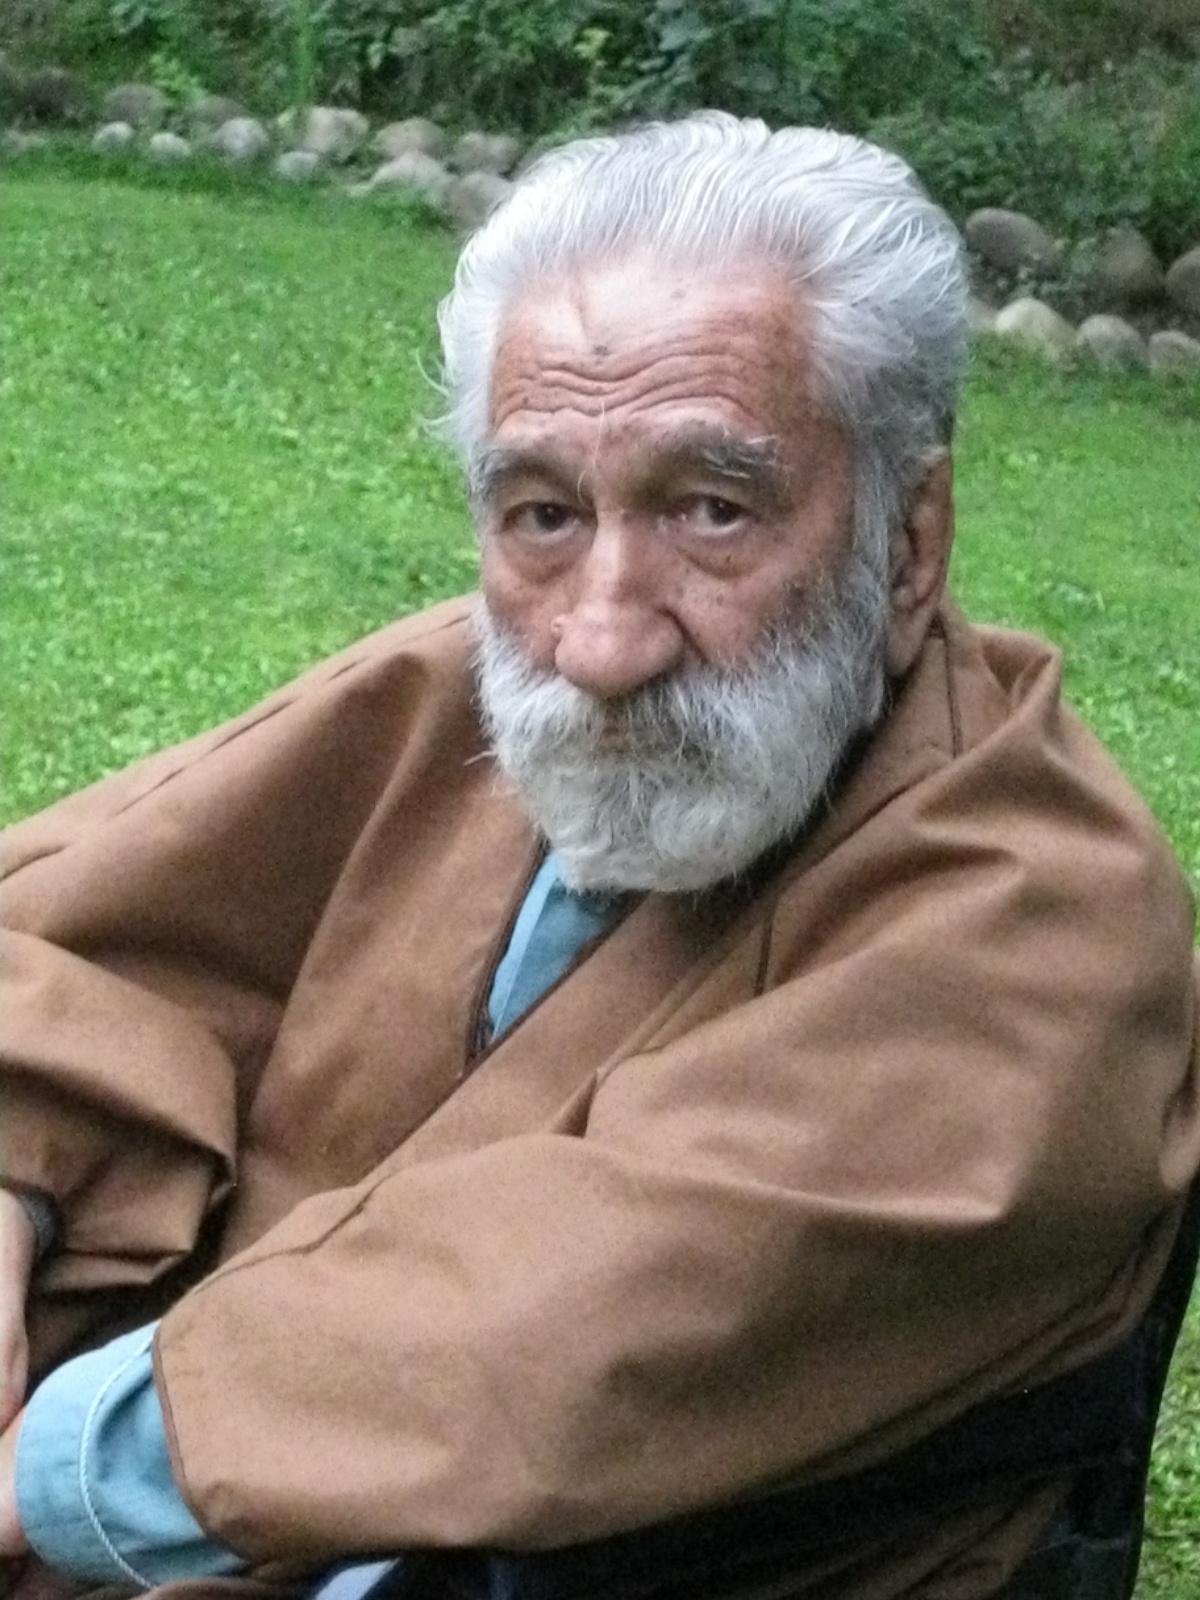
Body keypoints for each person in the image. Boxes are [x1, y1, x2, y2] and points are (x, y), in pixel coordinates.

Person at [1, 112, 1197, 1600]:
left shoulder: (1048, 913)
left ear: (909, 540)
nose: (603, 639)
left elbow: (572, 1330)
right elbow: (79, 937)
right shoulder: (465, 693)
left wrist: (41, 1474)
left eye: (712, 511)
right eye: (544, 514)